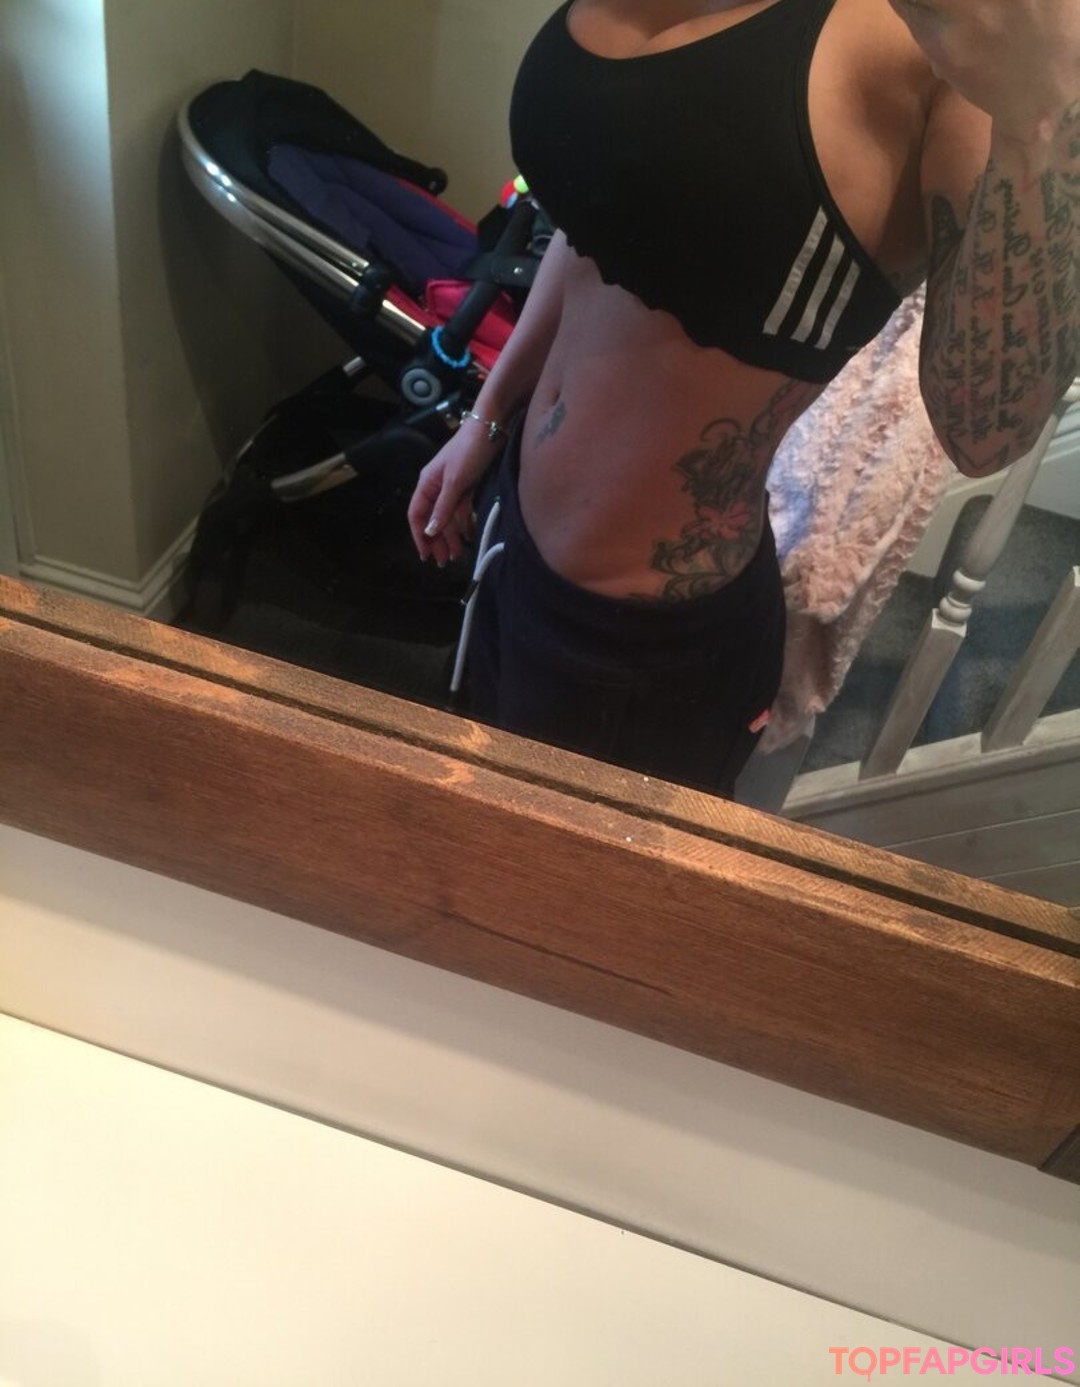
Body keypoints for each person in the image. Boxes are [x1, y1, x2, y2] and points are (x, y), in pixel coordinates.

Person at [408, 0, 1078, 796]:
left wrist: (1040, 115)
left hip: (640, 652)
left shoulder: (964, 42)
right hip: (511, 522)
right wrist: (487, 418)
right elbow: (596, 220)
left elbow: (986, 431)